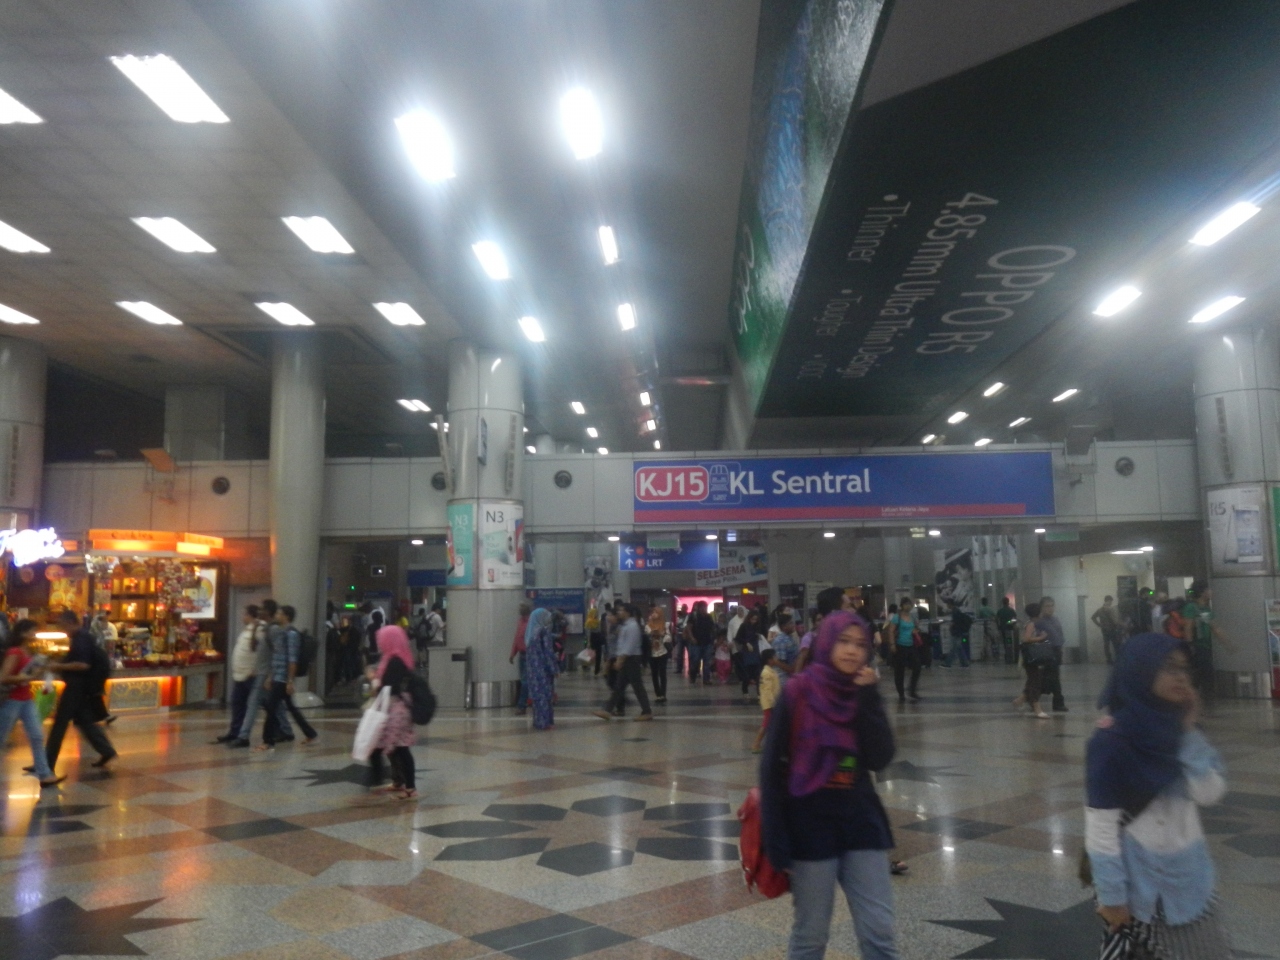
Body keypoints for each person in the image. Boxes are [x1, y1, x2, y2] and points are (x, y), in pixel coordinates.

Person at [759, 610, 901, 960]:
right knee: (811, 935)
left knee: (880, 931)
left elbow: (879, 757)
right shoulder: (798, 691)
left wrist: (869, 699)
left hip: (861, 823)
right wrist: (776, 840)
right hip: (809, 828)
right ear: (825, 642)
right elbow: (770, 769)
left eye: (860, 645)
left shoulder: (861, 691)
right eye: (843, 641)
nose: (852, 651)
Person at [1084, 633, 1232, 956]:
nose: (1180, 677)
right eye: (1168, 667)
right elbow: (1101, 829)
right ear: (1140, 670)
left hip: (1192, 884)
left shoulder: (1182, 732)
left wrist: (1188, 731)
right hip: (1141, 892)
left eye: (1184, 669)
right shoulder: (1111, 741)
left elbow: (1208, 793)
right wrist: (1112, 898)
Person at [44, 611, 116, 773]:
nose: (62, 629)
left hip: (76, 687)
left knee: (60, 724)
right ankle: (107, 750)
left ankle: (47, 762)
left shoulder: (81, 638)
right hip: (81, 687)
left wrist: (58, 666)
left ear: (70, 622)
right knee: (85, 721)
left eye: (62, 625)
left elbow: (83, 664)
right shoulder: (81, 637)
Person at [0, 619, 64, 787]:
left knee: (36, 736)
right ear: (22, 633)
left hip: (26, 698)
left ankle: (44, 774)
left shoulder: (26, 651)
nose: (34, 634)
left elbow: (27, 675)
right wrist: (24, 677)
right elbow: (4, 677)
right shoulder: (15, 652)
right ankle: (44, 773)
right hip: (12, 699)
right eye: (32, 631)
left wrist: (38, 670)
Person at [365, 624, 418, 800]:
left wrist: (375, 682)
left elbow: (389, 687)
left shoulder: (395, 661)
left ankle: (409, 787)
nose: (380, 643)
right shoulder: (394, 658)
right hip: (395, 708)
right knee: (395, 747)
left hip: (397, 710)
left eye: (382, 640)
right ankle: (400, 782)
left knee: (400, 747)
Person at [258, 605, 318, 750]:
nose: (276, 615)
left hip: (283, 678)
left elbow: (292, 659)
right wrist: (270, 676)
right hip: (277, 675)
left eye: (279, 613)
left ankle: (268, 741)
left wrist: (290, 681)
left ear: (287, 617)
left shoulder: (292, 634)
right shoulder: (280, 632)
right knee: (291, 707)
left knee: (271, 707)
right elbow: (277, 656)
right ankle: (310, 733)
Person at [594, 603, 653, 721]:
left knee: (637, 686)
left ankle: (647, 711)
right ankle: (607, 710)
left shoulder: (632, 626)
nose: (619, 612)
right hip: (626, 659)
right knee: (619, 686)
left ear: (627, 612)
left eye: (621, 610)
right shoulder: (625, 625)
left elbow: (629, 646)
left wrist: (620, 660)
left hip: (631, 659)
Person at [215, 605, 261, 744]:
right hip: (240, 675)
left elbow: (260, 651)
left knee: (263, 704)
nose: (242, 617)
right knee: (237, 704)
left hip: (250, 675)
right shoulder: (247, 630)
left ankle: (281, 730)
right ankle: (235, 732)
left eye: (244, 614)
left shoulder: (259, 630)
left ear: (250, 615)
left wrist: (256, 668)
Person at [1182, 581, 1229, 701]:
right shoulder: (1191, 607)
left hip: (1205, 646)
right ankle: (1197, 699)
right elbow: (1188, 627)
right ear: (1202, 592)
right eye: (1209, 590)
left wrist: (1227, 643)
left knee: (1204, 673)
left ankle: (1202, 698)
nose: (1211, 592)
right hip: (1197, 646)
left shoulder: (1206, 609)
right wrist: (1190, 645)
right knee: (1202, 673)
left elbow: (1214, 627)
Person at [1015, 602, 1052, 719]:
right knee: (1035, 683)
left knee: (1033, 680)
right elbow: (1026, 639)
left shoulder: (1031, 623)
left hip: (1031, 657)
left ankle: (1019, 700)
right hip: (1031, 658)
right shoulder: (1031, 624)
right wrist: (1041, 638)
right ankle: (1037, 708)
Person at [524, 608, 558, 729]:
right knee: (545, 696)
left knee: (537, 697)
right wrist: (554, 669)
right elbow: (548, 653)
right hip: (543, 671)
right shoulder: (543, 632)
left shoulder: (529, 634)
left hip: (532, 671)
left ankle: (538, 722)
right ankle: (546, 722)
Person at [1034, 596, 1068, 712]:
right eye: (1047, 606)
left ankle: (1031, 698)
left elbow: (1059, 634)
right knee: (1052, 677)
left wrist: (1061, 644)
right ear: (1041, 608)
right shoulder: (1039, 622)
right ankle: (1058, 702)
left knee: (1049, 678)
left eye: (1052, 606)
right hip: (1046, 651)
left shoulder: (1055, 619)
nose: (1050, 608)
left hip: (1056, 650)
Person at [887, 599, 921, 703]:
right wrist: (892, 644)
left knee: (917, 667)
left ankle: (912, 690)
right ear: (901, 606)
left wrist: (915, 630)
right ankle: (901, 693)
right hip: (900, 646)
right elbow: (891, 631)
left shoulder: (912, 617)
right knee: (899, 671)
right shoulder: (897, 617)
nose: (908, 606)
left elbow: (916, 628)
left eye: (910, 604)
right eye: (906, 604)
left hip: (911, 645)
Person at [751, 649, 781, 753]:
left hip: (771, 703)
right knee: (766, 724)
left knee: (770, 724)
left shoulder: (771, 671)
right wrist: (773, 704)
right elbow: (767, 691)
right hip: (769, 704)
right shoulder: (766, 673)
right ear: (769, 660)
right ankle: (756, 744)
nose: (776, 658)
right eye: (775, 657)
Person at [684, 601, 715, 684]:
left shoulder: (708, 617)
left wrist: (713, 639)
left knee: (707, 661)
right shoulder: (693, 616)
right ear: (699, 608)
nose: (704, 609)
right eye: (703, 607)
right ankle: (693, 676)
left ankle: (706, 679)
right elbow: (689, 628)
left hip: (707, 642)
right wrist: (692, 638)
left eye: (705, 607)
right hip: (696, 643)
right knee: (695, 660)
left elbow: (712, 628)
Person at [736, 609, 764, 700]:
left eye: (756, 620)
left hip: (755, 650)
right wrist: (746, 643)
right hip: (747, 651)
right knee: (747, 673)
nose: (754, 621)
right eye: (752, 619)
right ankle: (745, 690)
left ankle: (759, 692)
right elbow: (738, 638)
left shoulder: (758, 627)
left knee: (757, 673)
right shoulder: (744, 626)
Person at [510, 601, 531, 716]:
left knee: (525, 681)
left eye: (522, 608)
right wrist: (513, 653)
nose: (520, 610)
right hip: (522, 654)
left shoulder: (531, 622)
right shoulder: (520, 622)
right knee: (524, 681)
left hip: (529, 655)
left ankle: (522, 705)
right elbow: (517, 638)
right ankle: (524, 703)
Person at [647, 608, 671, 703]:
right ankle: (658, 694)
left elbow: (669, 637)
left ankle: (663, 694)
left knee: (662, 673)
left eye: (656, 612)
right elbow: (646, 637)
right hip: (652, 653)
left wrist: (662, 634)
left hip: (662, 651)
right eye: (653, 612)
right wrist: (652, 633)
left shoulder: (665, 625)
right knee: (654, 674)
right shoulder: (648, 626)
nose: (654, 614)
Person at [1092, 595, 1123, 665]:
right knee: (1115, 644)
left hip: (1105, 629)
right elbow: (1093, 617)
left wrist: (1099, 625)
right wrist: (1099, 624)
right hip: (1112, 629)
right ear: (1108, 601)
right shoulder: (1111, 609)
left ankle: (1109, 660)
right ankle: (1116, 659)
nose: (1111, 603)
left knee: (1107, 645)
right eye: (1110, 601)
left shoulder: (1100, 610)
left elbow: (1093, 617)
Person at [995, 597, 1019, 664]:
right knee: (1009, 643)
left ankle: (1006, 657)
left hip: (1002, 629)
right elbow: (1014, 619)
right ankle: (1010, 658)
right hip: (1009, 630)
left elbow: (996, 619)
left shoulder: (1000, 611)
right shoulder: (1011, 611)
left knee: (1004, 643)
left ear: (1002, 602)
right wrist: (1009, 623)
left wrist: (998, 626)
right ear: (1008, 602)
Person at [586, 605, 605, 676]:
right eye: (595, 613)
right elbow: (588, 633)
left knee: (598, 654)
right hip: (593, 638)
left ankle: (597, 669)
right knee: (593, 654)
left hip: (598, 638)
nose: (596, 614)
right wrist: (588, 642)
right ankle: (589, 666)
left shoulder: (597, 621)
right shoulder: (589, 622)